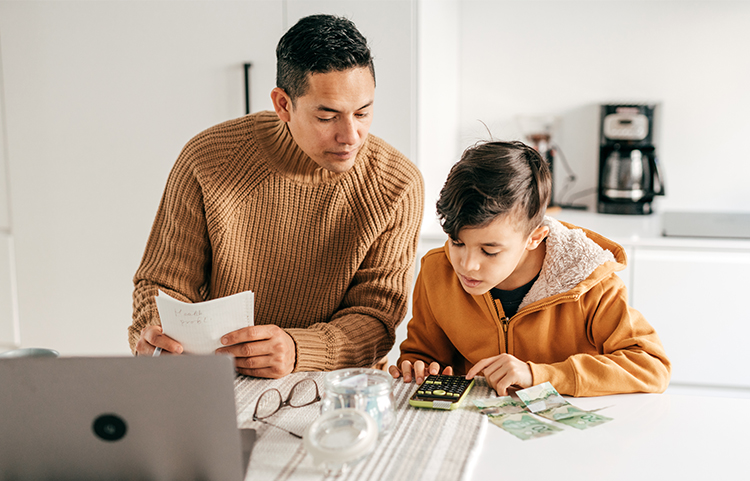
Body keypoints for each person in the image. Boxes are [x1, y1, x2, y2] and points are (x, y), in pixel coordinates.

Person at [129, 14, 424, 379]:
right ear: (283, 104)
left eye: (363, 112)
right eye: (328, 116)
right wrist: (156, 333)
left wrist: (299, 351)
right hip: (218, 379)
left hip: (339, 387)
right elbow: (163, 284)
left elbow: (376, 319)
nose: (351, 135)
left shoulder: (397, 184)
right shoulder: (208, 159)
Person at [388, 140, 670, 396]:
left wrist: (541, 375)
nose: (467, 265)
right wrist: (419, 366)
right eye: (457, 242)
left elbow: (651, 367)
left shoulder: (590, 282)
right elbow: (424, 353)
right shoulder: (437, 270)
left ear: (534, 238)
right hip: (475, 433)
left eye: (490, 251)